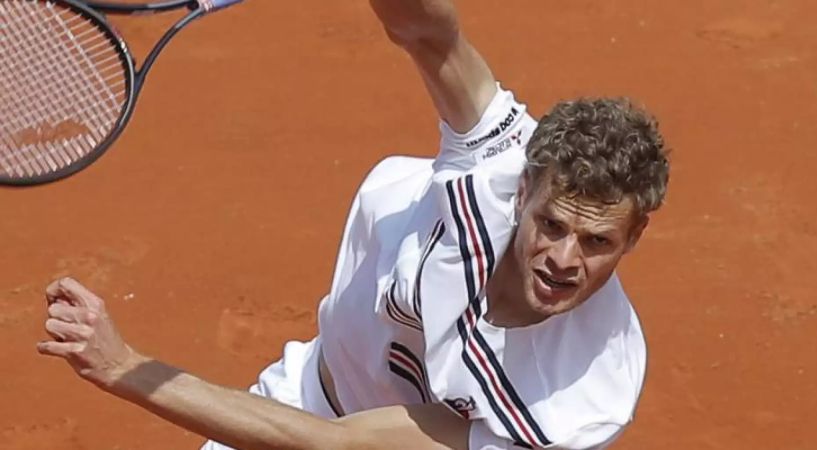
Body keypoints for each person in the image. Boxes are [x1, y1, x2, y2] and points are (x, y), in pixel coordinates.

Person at [37, 0, 670, 448]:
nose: (563, 258)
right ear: (524, 190)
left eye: (597, 242)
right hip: (304, 397)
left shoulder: (581, 398)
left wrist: (124, 366)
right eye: (553, 225)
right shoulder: (498, 160)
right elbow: (425, 28)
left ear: (634, 237)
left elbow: (337, 447)